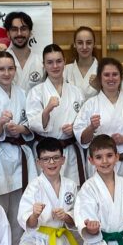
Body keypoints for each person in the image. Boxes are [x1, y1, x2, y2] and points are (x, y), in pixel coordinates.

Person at [73, 57, 123, 208]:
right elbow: (81, 137)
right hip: (101, 166)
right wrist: (91, 127)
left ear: (121, 77)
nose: (111, 78)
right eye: (106, 75)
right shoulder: (90, 105)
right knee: (103, 208)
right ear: (100, 78)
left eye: (115, 74)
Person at [0, 51, 35, 245]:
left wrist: (22, 128)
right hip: (0, 155)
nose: (6, 73)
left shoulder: (23, 93)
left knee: (21, 204)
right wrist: (0, 124)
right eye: (1, 69)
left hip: (21, 153)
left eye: (10, 68)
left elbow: (32, 122)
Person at [27, 44, 87, 185]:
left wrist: (75, 128)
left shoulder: (76, 91)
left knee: (72, 190)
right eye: (50, 62)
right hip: (46, 153)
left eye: (59, 61)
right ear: (44, 65)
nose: (55, 66)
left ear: (64, 62)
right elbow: (33, 124)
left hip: (70, 152)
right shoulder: (36, 92)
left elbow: (84, 120)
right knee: (45, 191)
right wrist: (47, 110)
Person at [3, 11, 45, 91]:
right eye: (14, 29)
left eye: (23, 29)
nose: (19, 33)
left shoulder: (41, 61)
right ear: (8, 34)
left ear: (30, 32)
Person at [64, 26, 100, 98]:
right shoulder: (65, 70)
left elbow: (111, 97)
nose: (84, 47)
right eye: (80, 43)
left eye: (88, 43)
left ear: (94, 44)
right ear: (75, 44)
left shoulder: (102, 70)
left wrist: (100, 88)